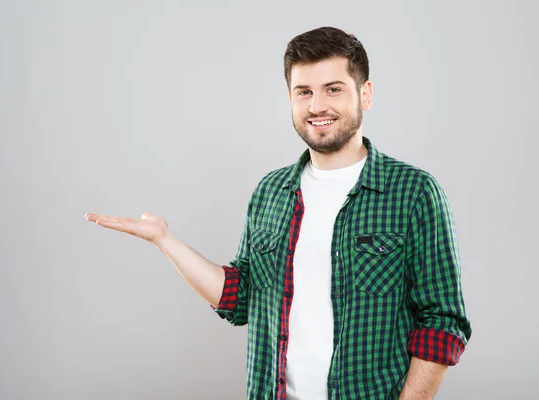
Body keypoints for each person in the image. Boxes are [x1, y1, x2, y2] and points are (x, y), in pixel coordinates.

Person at [85, 26, 472, 400]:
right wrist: (165, 242)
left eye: (333, 89)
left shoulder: (414, 192)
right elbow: (239, 299)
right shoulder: (271, 192)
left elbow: (442, 322)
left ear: (365, 94)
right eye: (304, 92)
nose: (317, 105)